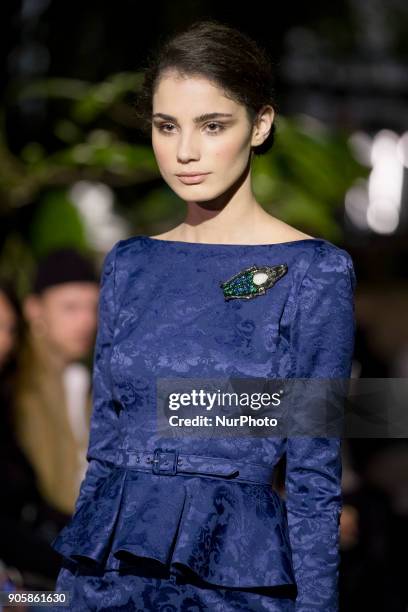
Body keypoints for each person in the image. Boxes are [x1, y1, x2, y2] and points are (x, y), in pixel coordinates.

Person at [51, 19, 356, 612]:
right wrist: (56, 597)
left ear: (260, 124)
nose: (185, 151)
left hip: (232, 584)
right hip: (108, 579)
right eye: (167, 127)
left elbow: (314, 478)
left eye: (212, 125)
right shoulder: (129, 265)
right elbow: (103, 457)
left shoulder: (314, 271)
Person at [12, 248, 99, 518]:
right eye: (70, 307)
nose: (87, 320)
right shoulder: (17, 386)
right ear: (34, 309)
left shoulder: (84, 380)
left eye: (93, 307)